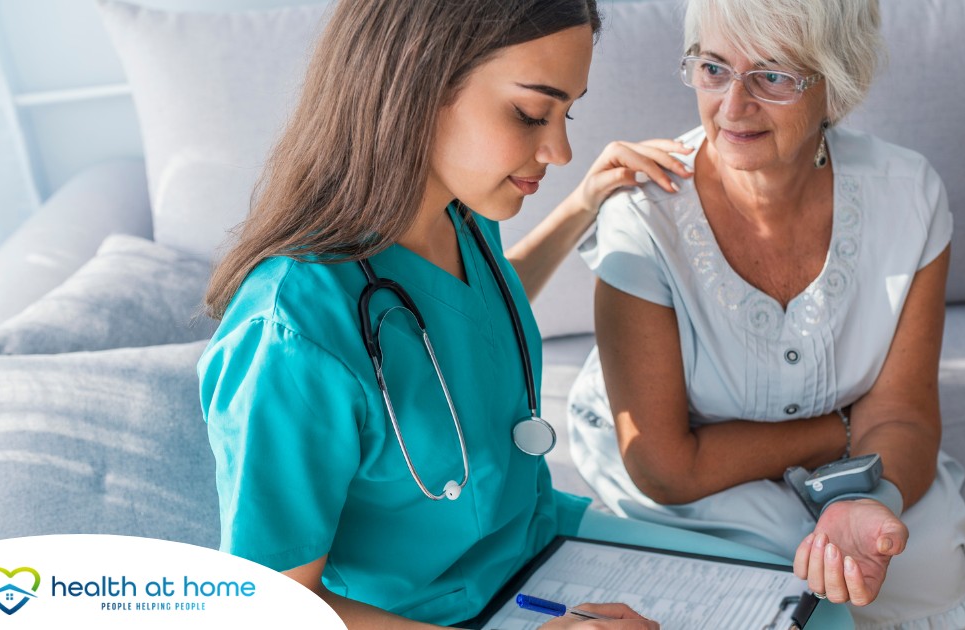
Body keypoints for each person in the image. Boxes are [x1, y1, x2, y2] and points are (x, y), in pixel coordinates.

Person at [196, 1, 699, 627]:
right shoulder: (289, 336)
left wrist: (584, 205)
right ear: (418, 84)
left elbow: (477, 317)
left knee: (803, 606)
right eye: (532, 112)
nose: (561, 149)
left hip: (545, 551)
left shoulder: (459, 218)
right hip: (433, 616)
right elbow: (267, 608)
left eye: (567, 112)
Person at [565, 0, 965, 628]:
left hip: (850, 465)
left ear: (835, 82)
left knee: (920, 572)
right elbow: (665, 466)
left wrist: (873, 496)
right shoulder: (643, 216)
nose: (733, 107)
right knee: (774, 581)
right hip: (690, 479)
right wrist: (846, 428)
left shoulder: (909, 194)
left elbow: (902, 413)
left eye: (774, 75)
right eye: (713, 68)